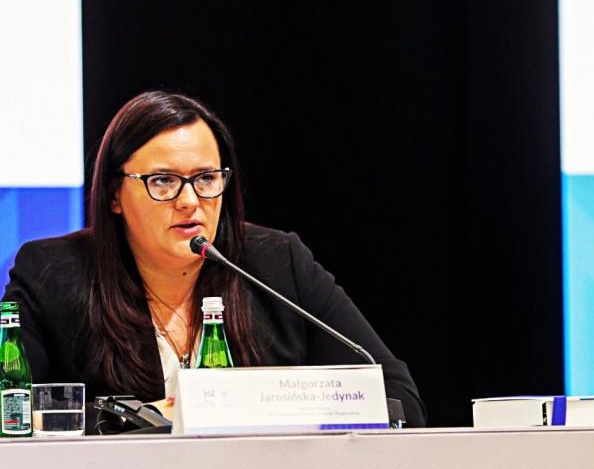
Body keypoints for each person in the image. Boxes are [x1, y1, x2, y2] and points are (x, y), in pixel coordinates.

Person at [2, 91, 425, 431]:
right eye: (163, 181)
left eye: (206, 179)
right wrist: (142, 421)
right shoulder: (53, 274)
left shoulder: (277, 263)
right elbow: (9, 410)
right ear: (114, 195)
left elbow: (397, 397)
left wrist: (266, 411)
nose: (190, 201)